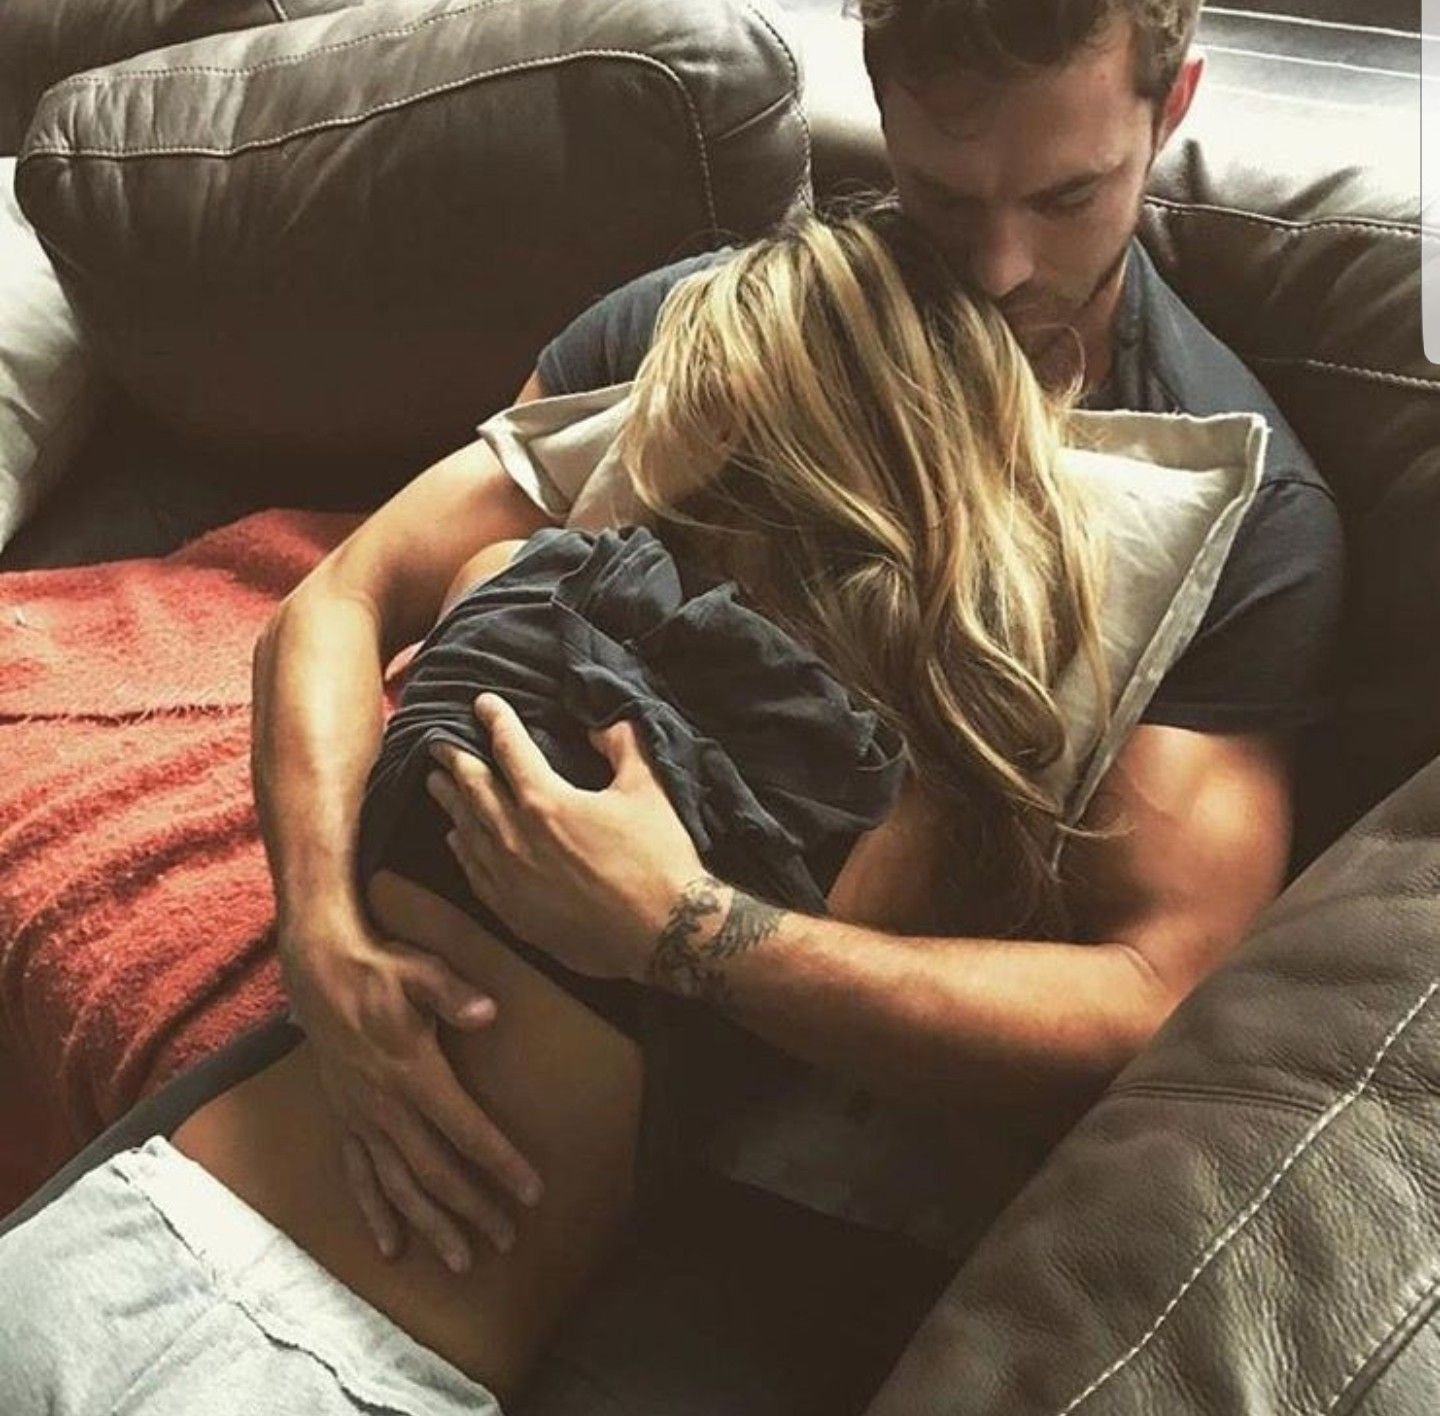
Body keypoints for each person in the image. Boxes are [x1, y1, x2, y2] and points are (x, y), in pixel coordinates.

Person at [251, 0, 1345, 1405]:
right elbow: (346, 598)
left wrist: (691, 933)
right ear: (881, 95)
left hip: (802, 1192)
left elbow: (1159, 993)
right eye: (948, 196)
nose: (1002, 268)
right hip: (468, 1004)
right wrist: (319, 936)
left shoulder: (1241, 512)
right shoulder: (709, 324)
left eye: (1068, 198)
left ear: (1170, 104)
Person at [2, 208, 1112, 1414]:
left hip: (148, 1228)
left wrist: (658, 913)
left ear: (722, 408)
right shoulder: (899, 814)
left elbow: (350, 602)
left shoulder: (513, 588)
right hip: (359, 1361)